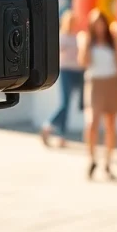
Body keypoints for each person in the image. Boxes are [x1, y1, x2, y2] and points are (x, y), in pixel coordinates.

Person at [79, 9, 117, 179]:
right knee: (91, 123)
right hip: (94, 84)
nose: (99, 27)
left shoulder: (113, 40)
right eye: (95, 23)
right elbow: (83, 62)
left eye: (101, 23)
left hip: (112, 82)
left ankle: (108, 162)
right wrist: (85, 44)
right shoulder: (88, 40)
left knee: (111, 125)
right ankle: (92, 159)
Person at [41, 10, 84, 147]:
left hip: (78, 72)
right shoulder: (63, 37)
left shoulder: (78, 37)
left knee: (71, 104)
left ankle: (61, 135)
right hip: (66, 71)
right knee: (65, 103)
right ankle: (49, 126)